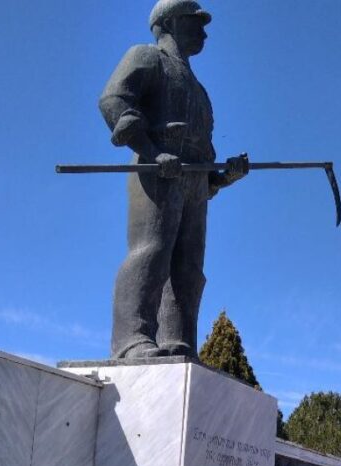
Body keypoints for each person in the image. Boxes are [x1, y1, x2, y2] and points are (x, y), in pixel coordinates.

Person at [99, 0, 248, 359]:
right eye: (193, 21)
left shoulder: (199, 92)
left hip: (193, 181)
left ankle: (178, 341)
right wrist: (150, 151)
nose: (203, 30)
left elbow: (208, 173)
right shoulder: (147, 58)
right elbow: (113, 100)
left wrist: (225, 176)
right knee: (151, 253)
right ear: (168, 23)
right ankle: (132, 339)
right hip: (158, 171)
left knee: (189, 267)